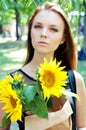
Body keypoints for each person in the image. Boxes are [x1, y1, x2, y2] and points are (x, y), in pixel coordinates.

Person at [0, 2, 86, 130]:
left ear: (63, 38)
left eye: (53, 29)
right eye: (38, 27)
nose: (44, 34)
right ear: (30, 31)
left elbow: (82, 126)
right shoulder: (11, 83)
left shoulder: (75, 79)